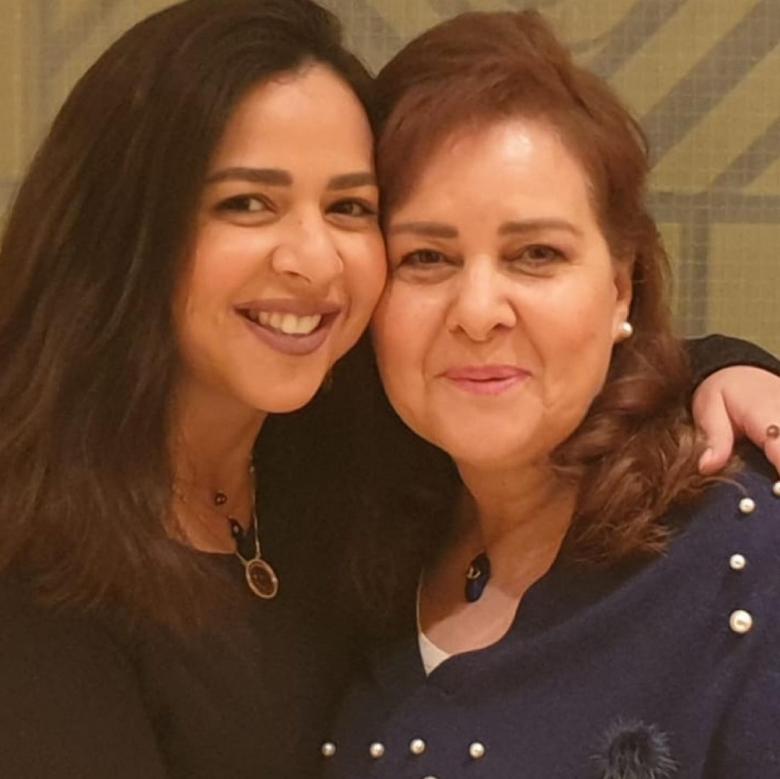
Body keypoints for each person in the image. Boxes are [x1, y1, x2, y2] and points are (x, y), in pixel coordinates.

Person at [0, 2, 777, 778]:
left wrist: (726, 369)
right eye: (247, 203)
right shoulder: (40, 561)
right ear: (130, 229)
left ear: (619, 287)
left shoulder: (345, 454)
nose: (313, 259)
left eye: (348, 207)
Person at [322, 10, 780, 778]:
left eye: (535, 254)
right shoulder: (344, 536)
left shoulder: (745, 558)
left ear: (620, 287)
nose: (478, 312)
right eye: (426, 256)